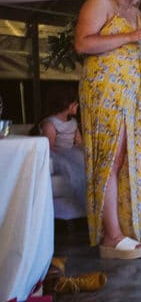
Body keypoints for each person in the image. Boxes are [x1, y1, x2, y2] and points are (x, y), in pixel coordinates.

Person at [75, 0, 141, 259]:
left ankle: (122, 227)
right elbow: (83, 44)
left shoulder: (135, 13)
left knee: (122, 160)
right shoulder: (100, 3)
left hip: (131, 94)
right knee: (109, 158)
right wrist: (130, 36)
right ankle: (111, 235)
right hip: (105, 91)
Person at [39, 85, 87, 217]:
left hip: (71, 152)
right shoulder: (51, 123)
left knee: (82, 160)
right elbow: (49, 148)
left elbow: (79, 143)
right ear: (68, 105)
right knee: (69, 165)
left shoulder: (73, 123)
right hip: (57, 155)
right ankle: (82, 196)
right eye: (75, 102)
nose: (77, 105)